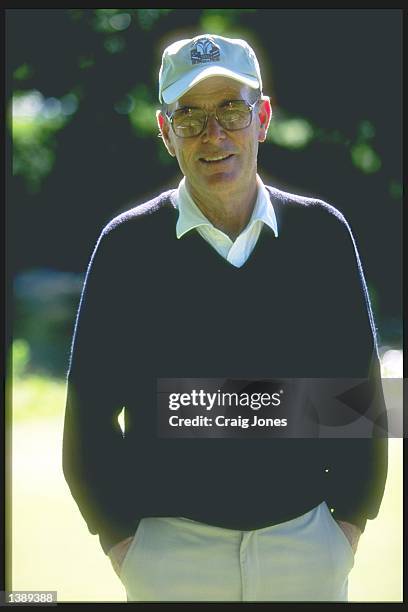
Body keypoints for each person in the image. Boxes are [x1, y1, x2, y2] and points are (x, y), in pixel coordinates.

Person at [62, 33, 388, 602]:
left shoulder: (324, 235)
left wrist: (348, 528)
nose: (214, 135)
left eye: (231, 110)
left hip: (307, 547)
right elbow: (87, 421)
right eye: (190, 117)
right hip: (171, 557)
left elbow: (362, 399)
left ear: (261, 118)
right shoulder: (125, 247)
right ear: (167, 133)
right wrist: (125, 547)